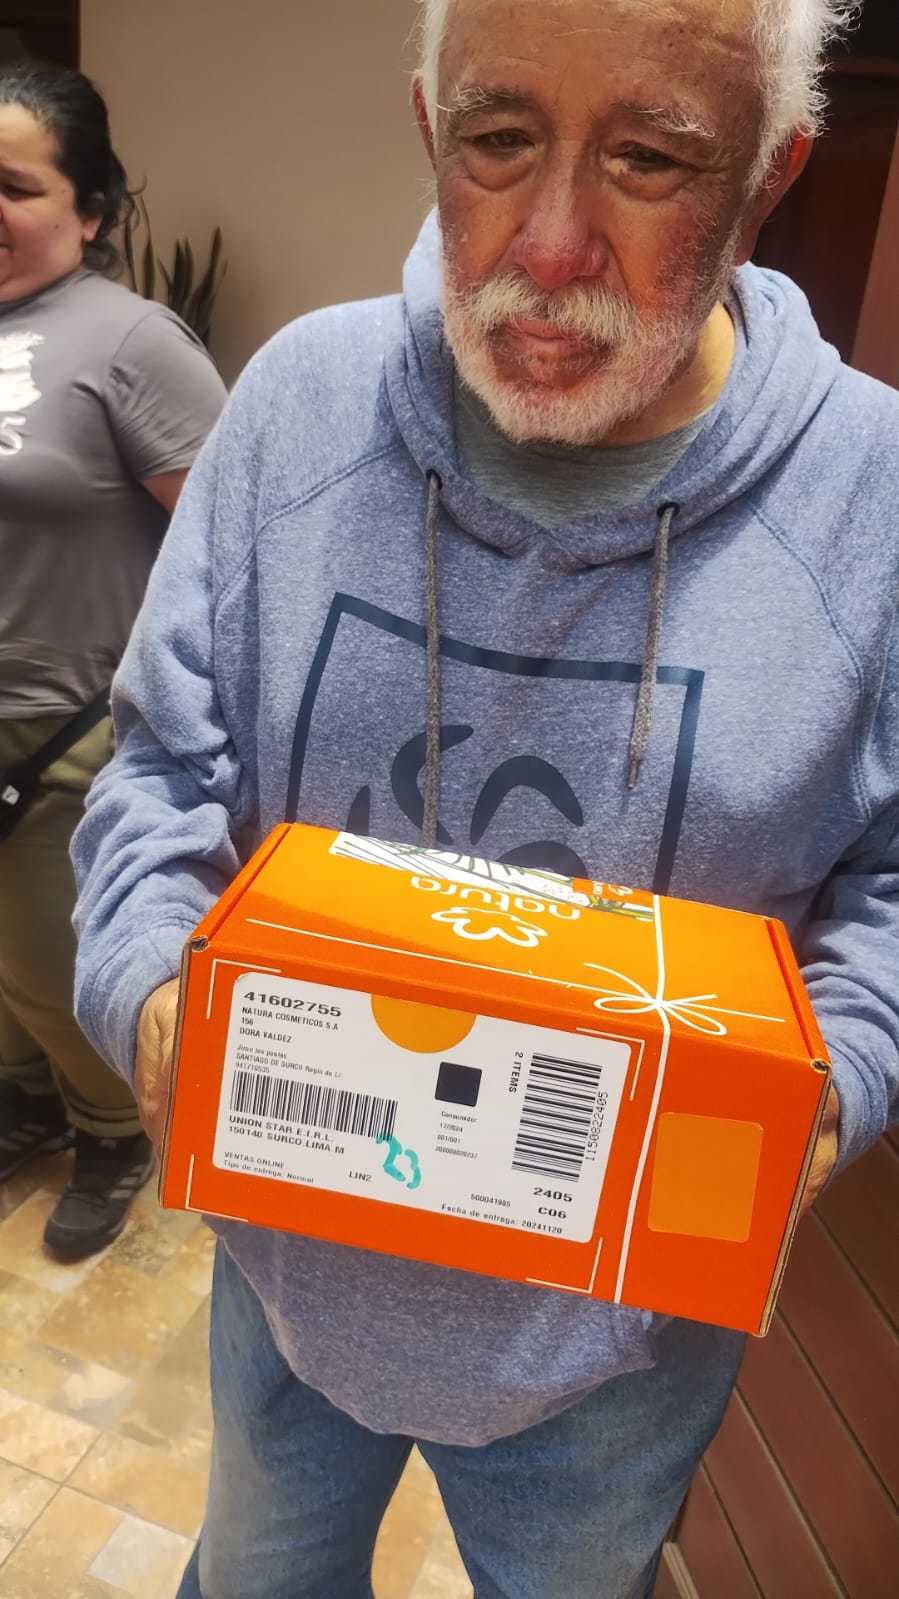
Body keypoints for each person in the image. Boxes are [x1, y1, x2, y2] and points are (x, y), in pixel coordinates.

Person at [73, 1, 898, 1594]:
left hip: (613, 1342)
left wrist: (826, 1087)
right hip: (289, 1274)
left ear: (767, 175)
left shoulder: (870, 498)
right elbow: (163, 763)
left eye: (649, 159)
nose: (551, 244)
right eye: (497, 141)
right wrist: (152, 989)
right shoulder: (298, 406)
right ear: (426, 128)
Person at [0, 62, 226, 1261]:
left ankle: (108, 1136)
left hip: (66, 726)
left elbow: (230, 550)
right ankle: (29, 1104)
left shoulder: (134, 341)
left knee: (54, 962)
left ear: (88, 209)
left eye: (14, 186)